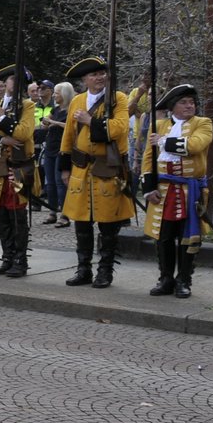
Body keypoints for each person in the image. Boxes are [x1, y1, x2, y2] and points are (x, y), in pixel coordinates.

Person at [58, 56, 131, 288]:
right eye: (94, 75)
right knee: (81, 223)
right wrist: (64, 167)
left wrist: (91, 121)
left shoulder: (118, 98)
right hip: (81, 168)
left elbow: (119, 129)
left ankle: (105, 270)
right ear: (85, 80)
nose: (99, 78)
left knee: (108, 224)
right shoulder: (78, 101)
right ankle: (83, 269)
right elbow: (68, 135)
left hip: (107, 168)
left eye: (102, 73)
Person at [140, 82, 213, 299]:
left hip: (190, 190)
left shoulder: (204, 123)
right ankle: (165, 279)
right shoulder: (158, 125)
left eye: (191, 102)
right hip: (163, 190)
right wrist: (148, 188)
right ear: (173, 106)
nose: (189, 106)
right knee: (163, 236)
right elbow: (148, 159)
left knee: (187, 236)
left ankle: (184, 280)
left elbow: (195, 145)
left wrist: (163, 142)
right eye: (183, 102)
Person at [0, 65, 39, 277]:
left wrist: (3, 119)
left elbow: (23, 133)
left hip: (18, 168)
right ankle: (7, 257)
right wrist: (2, 139)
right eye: (7, 80)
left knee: (17, 215)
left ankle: (20, 260)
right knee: (2, 215)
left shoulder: (27, 106)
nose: (7, 83)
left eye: (12, 80)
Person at [41, 81, 73, 226]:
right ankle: (52, 211)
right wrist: (46, 123)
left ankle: (65, 214)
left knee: (61, 182)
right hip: (50, 148)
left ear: (64, 94)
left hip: (63, 149)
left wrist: (54, 123)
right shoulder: (55, 110)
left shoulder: (71, 109)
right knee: (50, 183)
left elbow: (71, 127)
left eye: (56, 93)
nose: (54, 95)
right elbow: (46, 122)